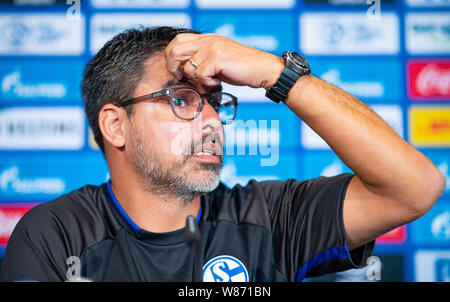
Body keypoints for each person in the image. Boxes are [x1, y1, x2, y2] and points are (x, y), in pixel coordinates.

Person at [0, 26, 445, 282]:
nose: (212, 120)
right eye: (182, 99)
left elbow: (415, 188)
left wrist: (277, 74)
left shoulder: (269, 217)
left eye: (215, 101)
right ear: (116, 126)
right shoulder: (55, 234)